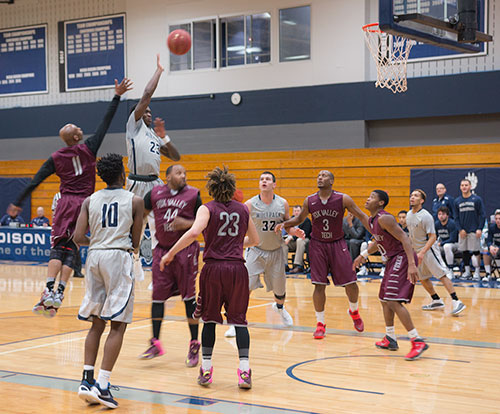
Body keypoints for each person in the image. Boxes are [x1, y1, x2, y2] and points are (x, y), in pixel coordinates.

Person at [9, 78, 132, 317]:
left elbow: (36, 180)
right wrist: (117, 96)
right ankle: (60, 292)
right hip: (86, 204)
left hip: (65, 203)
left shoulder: (56, 157)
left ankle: (47, 291)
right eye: (76, 128)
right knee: (72, 247)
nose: (79, 128)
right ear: (76, 137)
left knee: (58, 247)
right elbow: (105, 122)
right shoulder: (89, 148)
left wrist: (19, 202)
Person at [160, 166, 259, 389]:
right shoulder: (243, 209)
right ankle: (244, 372)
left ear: (211, 189)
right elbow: (255, 240)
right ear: (232, 188)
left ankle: (206, 370)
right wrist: (233, 244)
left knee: (210, 320)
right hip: (237, 270)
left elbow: (194, 233)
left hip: (214, 270)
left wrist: (170, 252)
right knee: (239, 321)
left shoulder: (207, 208)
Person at [74, 153, 144, 409]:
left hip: (94, 257)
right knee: (118, 325)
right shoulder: (134, 200)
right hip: (118, 257)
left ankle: (86, 379)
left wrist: (100, 243)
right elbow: (135, 242)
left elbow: (78, 236)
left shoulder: (89, 200)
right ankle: (102, 386)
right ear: (122, 174)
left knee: (96, 323)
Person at [277, 170, 367, 339]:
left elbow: (362, 216)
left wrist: (376, 233)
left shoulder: (343, 198)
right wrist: (284, 224)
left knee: (351, 282)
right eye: (318, 176)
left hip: (337, 243)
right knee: (319, 285)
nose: (320, 178)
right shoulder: (309, 200)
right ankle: (320, 323)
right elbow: (298, 219)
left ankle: (354, 311)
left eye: (324, 176)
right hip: (318, 245)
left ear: (332, 181)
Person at [352, 190, 428, 361]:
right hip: (392, 259)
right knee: (384, 299)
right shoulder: (372, 220)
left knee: (393, 300)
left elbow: (405, 239)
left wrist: (412, 264)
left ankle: (417, 341)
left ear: (380, 203)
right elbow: (378, 241)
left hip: (401, 257)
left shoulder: (384, 218)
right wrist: (363, 255)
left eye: (371, 197)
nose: (367, 198)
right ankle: (390, 338)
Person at [225, 171, 303, 338]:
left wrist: (294, 231)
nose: (264, 181)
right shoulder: (249, 204)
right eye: (261, 179)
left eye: (267, 179)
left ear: (274, 184)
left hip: (276, 250)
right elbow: (241, 226)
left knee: (280, 290)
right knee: (245, 287)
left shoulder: (283, 203)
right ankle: (236, 321)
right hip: (255, 251)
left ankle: (280, 308)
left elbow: (288, 224)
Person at [139, 164, 202, 366]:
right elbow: (140, 214)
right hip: (162, 250)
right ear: (167, 177)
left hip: (186, 251)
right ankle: (155, 342)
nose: (183, 176)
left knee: (189, 298)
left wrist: (187, 223)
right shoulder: (154, 193)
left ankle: (194, 344)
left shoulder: (193, 194)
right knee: (157, 297)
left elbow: (204, 221)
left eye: (185, 172)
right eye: (178, 173)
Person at [126, 54, 181, 276]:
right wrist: (158, 71)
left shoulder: (152, 135)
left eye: (150, 112)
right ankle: (135, 260)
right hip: (136, 183)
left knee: (159, 228)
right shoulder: (133, 127)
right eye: (145, 111)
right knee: (133, 228)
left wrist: (164, 137)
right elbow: (146, 96)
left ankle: (160, 270)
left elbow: (176, 157)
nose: (148, 113)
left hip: (155, 184)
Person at [406, 189, 466, 316]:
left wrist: (422, 252)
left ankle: (456, 301)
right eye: (411, 195)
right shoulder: (408, 215)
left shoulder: (426, 216)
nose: (412, 197)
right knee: (422, 277)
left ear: (422, 201)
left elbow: (433, 237)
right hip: (417, 251)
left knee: (441, 274)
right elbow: (411, 237)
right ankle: (436, 299)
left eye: (416, 196)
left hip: (429, 250)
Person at [454, 179, 486, 280]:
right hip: (463, 231)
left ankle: (477, 272)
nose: (464, 187)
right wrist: (460, 229)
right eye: (462, 185)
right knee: (465, 251)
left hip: (474, 230)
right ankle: (467, 272)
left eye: (466, 185)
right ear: (460, 187)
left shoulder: (477, 199)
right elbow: (456, 217)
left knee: (476, 251)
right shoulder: (457, 201)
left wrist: (479, 228)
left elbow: (482, 215)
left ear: (470, 186)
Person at [285, 205, 312, 273]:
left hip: (304, 240)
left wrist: (291, 237)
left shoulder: (306, 220)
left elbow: (304, 234)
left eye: (298, 211)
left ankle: (298, 265)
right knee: (283, 243)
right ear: (293, 212)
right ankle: (284, 265)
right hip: (293, 241)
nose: (296, 213)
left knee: (299, 240)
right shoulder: (290, 220)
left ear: (301, 212)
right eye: (295, 211)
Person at [435, 206, 458, 271]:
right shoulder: (436, 224)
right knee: (433, 248)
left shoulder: (452, 223)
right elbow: (435, 237)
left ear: (447, 215)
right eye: (439, 214)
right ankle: (441, 267)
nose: (441, 216)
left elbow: (453, 239)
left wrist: (441, 243)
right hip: (443, 244)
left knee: (447, 246)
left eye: (443, 214)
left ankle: (450, 269)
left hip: (456, 245)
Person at [483, 209, 500, 283]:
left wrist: (498, 248)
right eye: (496, 219)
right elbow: (488, 240)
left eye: (499, 219)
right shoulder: (492, 227)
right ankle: (488, 274)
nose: (498, 221)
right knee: (485, 250)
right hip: (495, 247)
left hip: (499, 248)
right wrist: (490, 246)